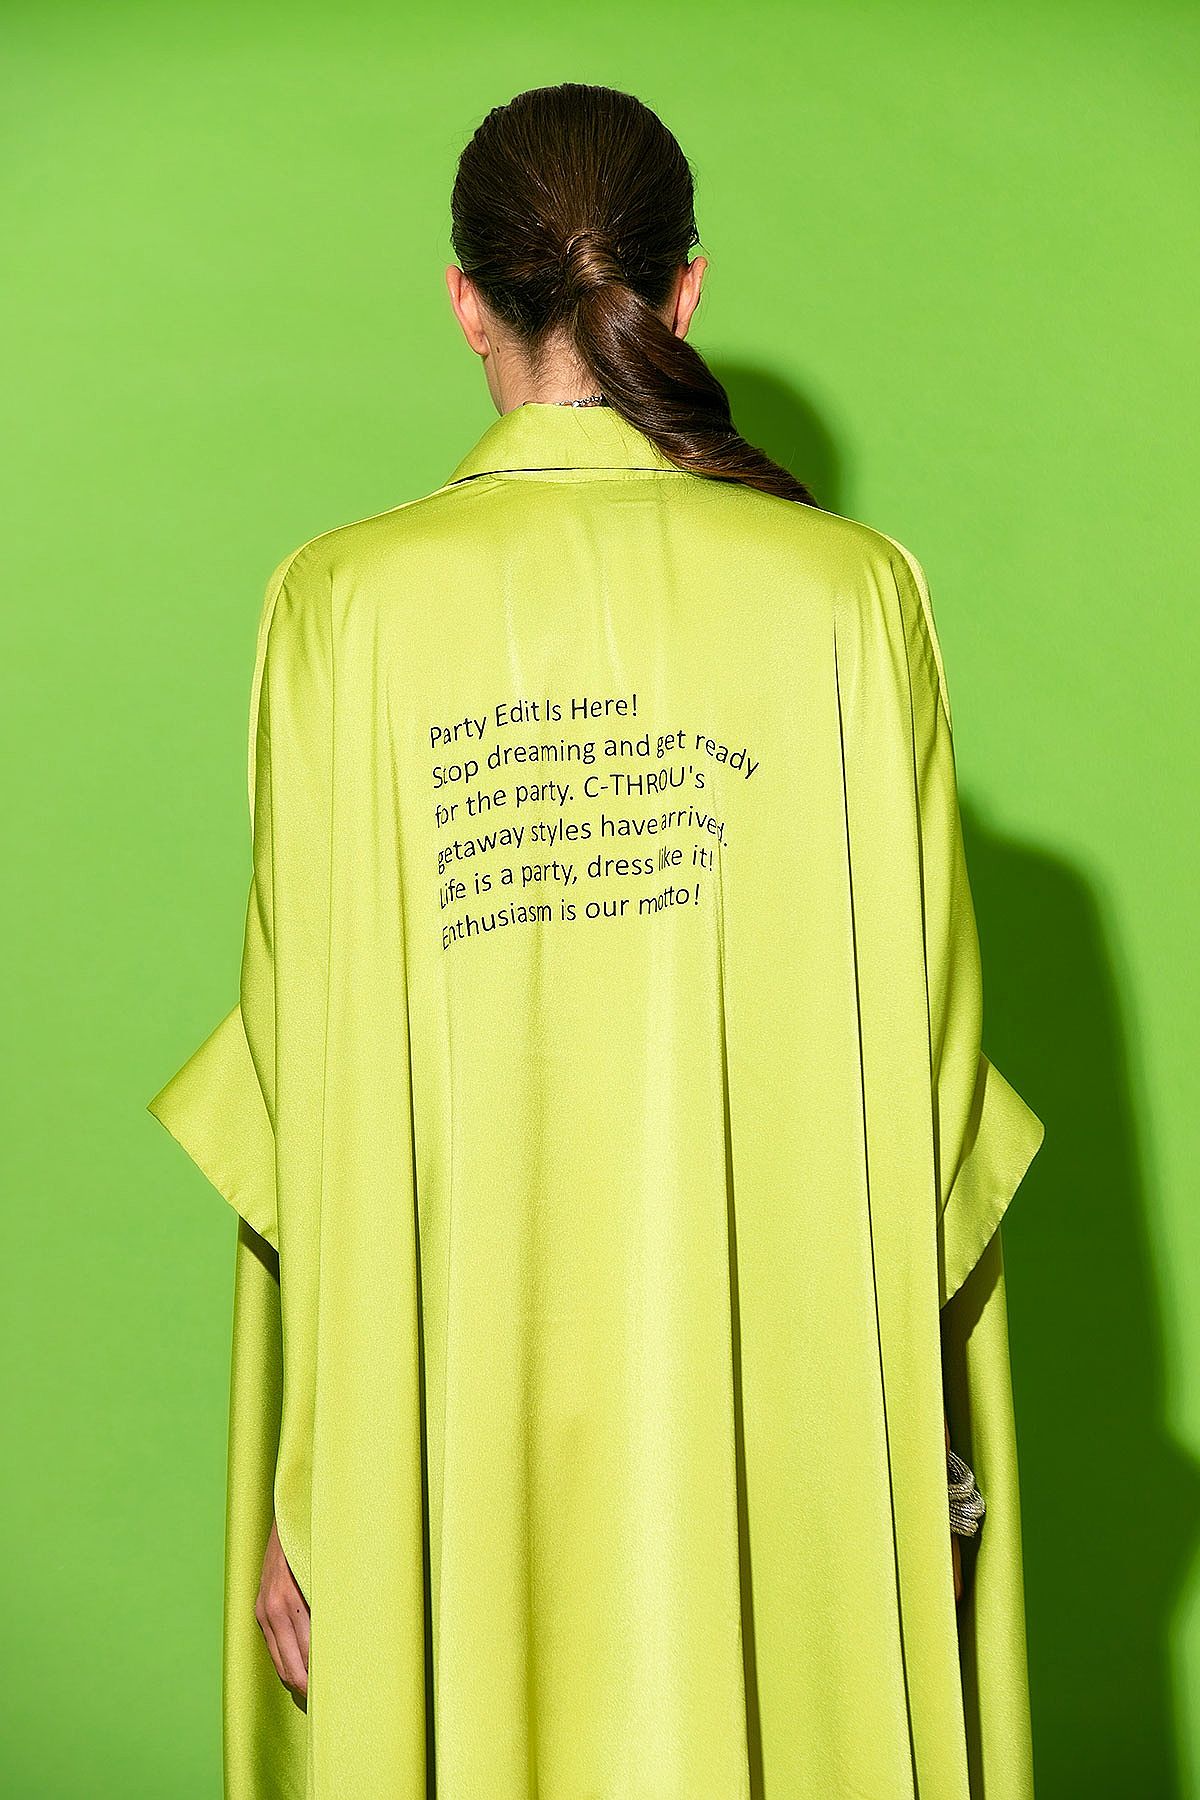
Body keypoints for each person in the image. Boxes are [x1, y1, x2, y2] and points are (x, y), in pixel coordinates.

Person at [147, 81, 1045, 1800]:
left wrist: (316, 1487)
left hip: (444, 1436)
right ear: (684, 290)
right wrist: (920, 1477)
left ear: (464, 300)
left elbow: (300, 1093)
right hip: (784, 1453)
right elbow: (927, 1093)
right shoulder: (856, 598)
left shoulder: (338, 609)